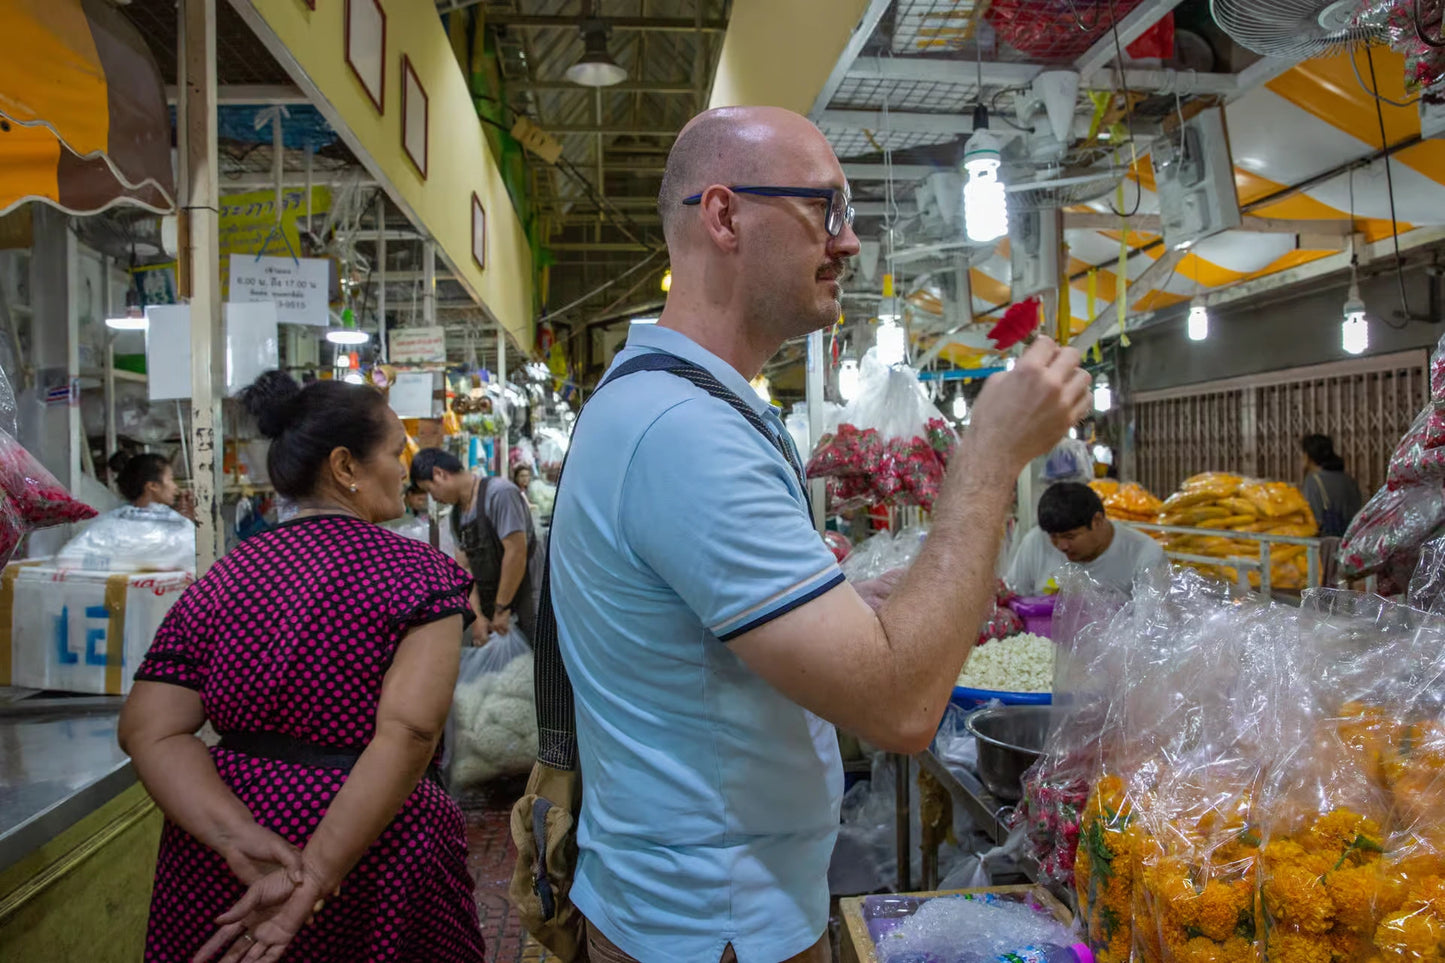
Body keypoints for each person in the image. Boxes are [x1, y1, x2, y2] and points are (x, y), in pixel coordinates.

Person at [548, 105, 1089, 963]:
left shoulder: (685, 405)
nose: (848, 243)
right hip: (714, 928)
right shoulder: (685, 431)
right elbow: (904, 708)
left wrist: (843, 606)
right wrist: (988, 454)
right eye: (825, 209)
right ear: (723, 216)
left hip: (704, 908)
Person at [117, 371, 485, 963]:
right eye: (395, 453)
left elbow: (147, 728)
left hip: (232, 849)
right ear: (345, 467)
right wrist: (315, 873)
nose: (402, 468)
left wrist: (238, 838)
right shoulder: (420, 574)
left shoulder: (224, 576)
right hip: (377, 844)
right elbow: (410, 732)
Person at [412, 449, 542, 643]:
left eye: (430, 490)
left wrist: (502, 608)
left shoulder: (500, 493)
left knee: (537, 663)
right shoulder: (456, 516)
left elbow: (516, 552)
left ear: (440, 474)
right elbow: (464, 569)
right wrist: (478, 616)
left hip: (528, 602)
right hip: (496, 609)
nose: (434, 498)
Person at [1005, 481, 1168, 597]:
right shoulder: (1035, 542)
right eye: (1053, 537)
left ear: (1097, 521)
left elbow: (1151, 624)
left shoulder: (1145, 555)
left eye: (1070, 536)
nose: (1061, 546)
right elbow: (1013, 595)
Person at [1301, 433, 1363, 537]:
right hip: (1350, 540)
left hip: (1326, 544)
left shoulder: (1313, 481)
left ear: (1307, 456)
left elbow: (1313, 521)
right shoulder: (1348, 480)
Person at [115, 452, 195, 519]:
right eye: (170, 479)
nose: (175, 487)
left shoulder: (116, 520)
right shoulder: (172, 525)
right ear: (153, 486)